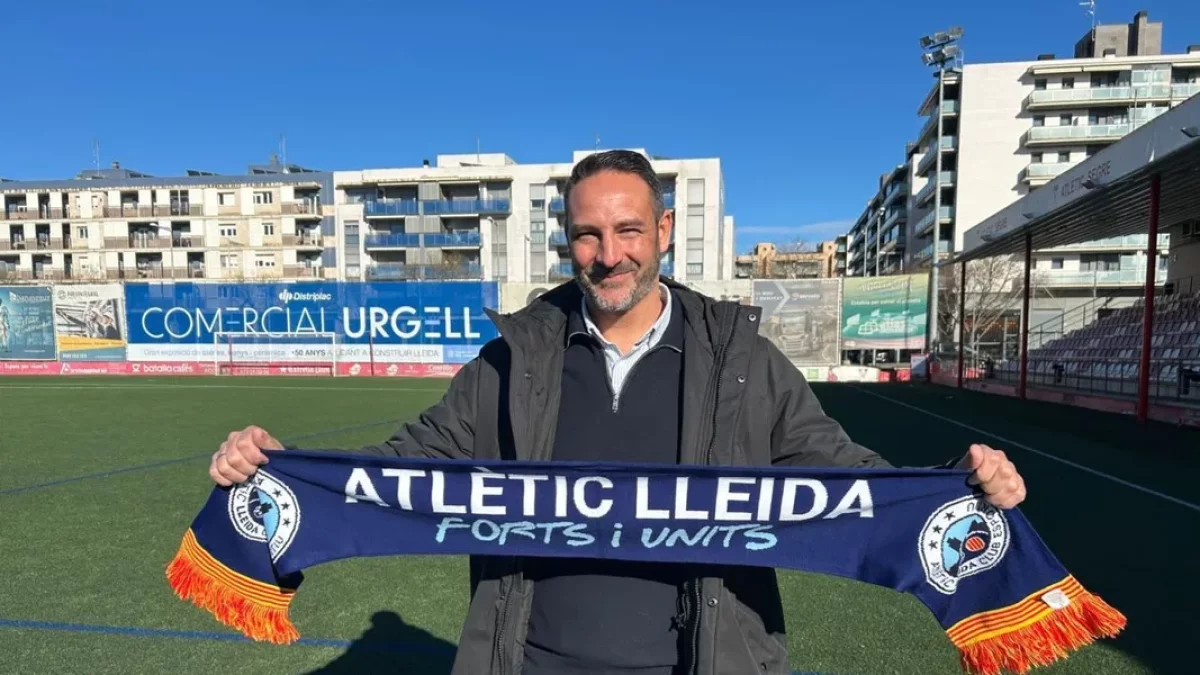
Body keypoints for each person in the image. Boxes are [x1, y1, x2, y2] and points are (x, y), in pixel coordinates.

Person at [210, 150, 1027, 675]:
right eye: (588, 235)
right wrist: (278, 472)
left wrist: (956, 489)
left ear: (663, 229)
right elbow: (404, 466)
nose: (609, 255)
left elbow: (844, 475)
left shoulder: (742, 359)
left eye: (629, 229)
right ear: (567, 240)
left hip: (698, 661)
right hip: (532, 661)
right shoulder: (514, 357)